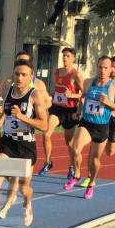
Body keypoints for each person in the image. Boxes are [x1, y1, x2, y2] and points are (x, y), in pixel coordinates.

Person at [0, 59, 49, 228]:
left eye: (24, 75)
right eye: (17, 74)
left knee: (23, 188)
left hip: (25, 145)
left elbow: (44, 125)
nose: (19, 78)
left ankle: (27, 203)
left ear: (30, 77)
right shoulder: (8, 91)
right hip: (7, 143)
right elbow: (6, 113)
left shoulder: (35, 95)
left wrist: (23, 117)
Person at [63, 55, 115, 198]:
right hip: (87, 122)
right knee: (74, 147)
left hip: (102, 126)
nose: (102, 70)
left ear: (111, 69)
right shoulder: (88, 82)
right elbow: (83, 97)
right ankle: (77, 173)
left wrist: (108, 103)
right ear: (96, 67)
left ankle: (91, 182)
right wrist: (79, 111)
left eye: (106, 68)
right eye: (100, 67)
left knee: (94, 159)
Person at [40, 47, 84, 177]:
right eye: (63, 55)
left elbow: (84, 94)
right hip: (57, 108)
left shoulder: (76, 74)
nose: (65, 58)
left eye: (68, 56)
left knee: (69, 143)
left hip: (70, 111)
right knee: (46, 133)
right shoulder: (57, 72)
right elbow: (57, 89)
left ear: (73, 58)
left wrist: (72, 95)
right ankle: (48, 162)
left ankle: (71, 166)